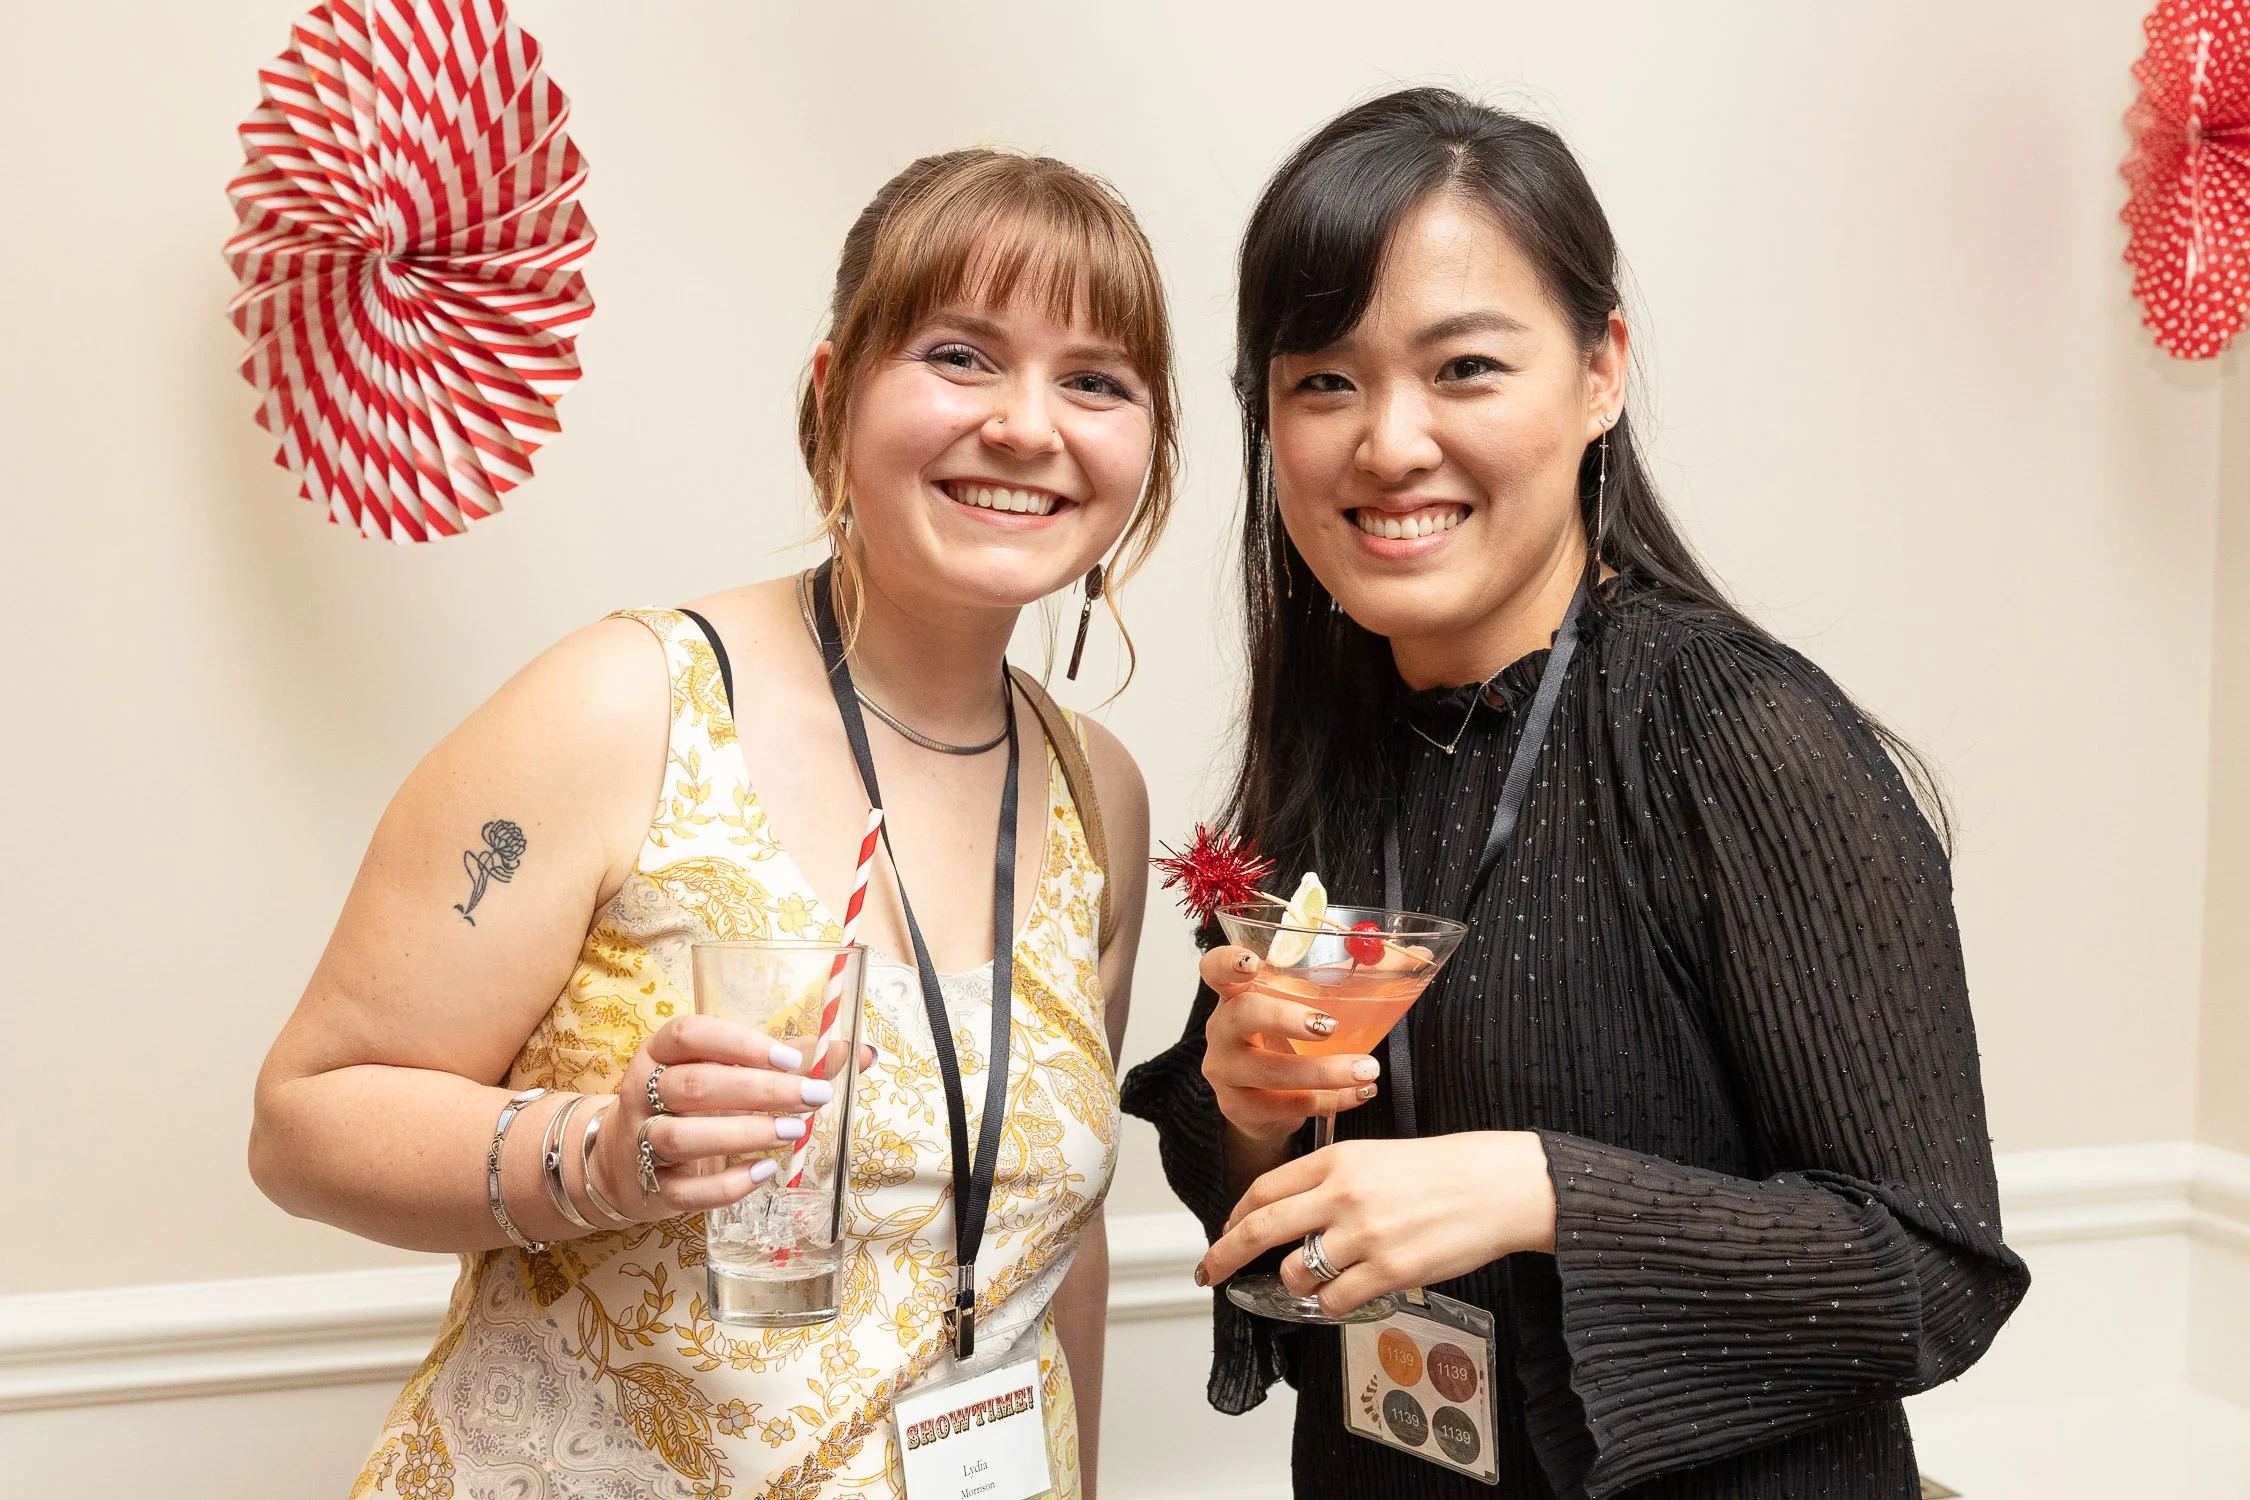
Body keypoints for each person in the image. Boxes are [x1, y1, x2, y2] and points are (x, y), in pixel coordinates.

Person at [1121, 88, 2029, 1499]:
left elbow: (1932, 1270)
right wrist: (1242, 1109)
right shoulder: (1335, 733)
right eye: (1322, 381)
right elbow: (1259, 1205)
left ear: (1599, 371)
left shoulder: (1736, 734)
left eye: (1465, 368)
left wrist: (1533, 1190)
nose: (1387, 444)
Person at [251, 147, 1176, 1500]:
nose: (1030, 425)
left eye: (1096, 379)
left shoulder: (1094, 788)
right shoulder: (626, 706)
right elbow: (303, 1122)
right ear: (834, 392)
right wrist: (602, 1157)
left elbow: (1051, 1243)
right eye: (960, 355)